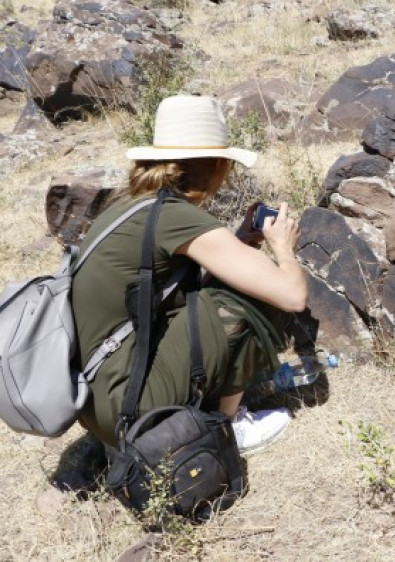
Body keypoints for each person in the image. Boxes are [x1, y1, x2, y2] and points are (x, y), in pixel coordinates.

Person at [72, 94, 309, 454]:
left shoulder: (131, 206)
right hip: (127, 406)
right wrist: (282, 247)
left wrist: (241, 240)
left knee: (226, 288)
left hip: (96, 400)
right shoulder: (175, 216)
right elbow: (292, 295)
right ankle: (225, 431)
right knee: (251, 298)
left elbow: (170, 287)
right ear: (216, 165)